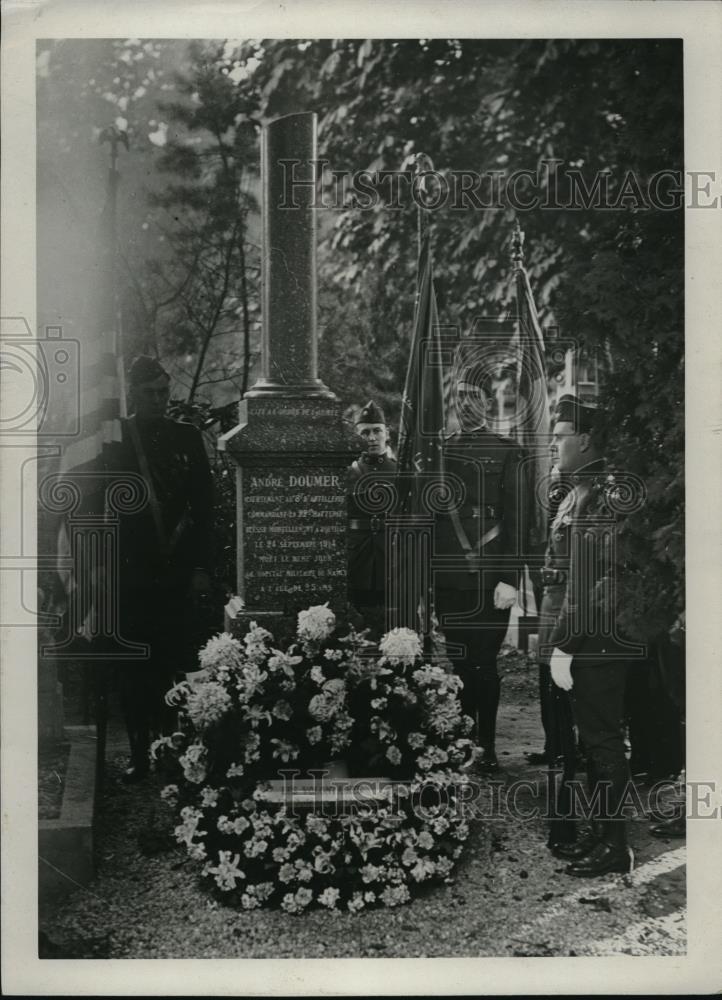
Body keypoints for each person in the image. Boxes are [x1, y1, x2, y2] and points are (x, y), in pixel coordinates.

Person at [103, 356, 214, 782]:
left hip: (178, 570)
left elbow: (204, 508)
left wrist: (202, 567)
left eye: (163, 392)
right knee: (134, 667)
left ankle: (174, 751)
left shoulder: (186, 437)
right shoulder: (115, 439)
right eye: (148, 393)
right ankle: (139, 755)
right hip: (129, 572)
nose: (157, 400)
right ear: (132, 394)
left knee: (175, 662)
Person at [546, 394, 635, 876]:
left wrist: (564, 644)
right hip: (591, 637)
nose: (554, 445)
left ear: (584, 441)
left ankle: (616, 847)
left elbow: (587, 584)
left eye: (560, 437)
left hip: (598, 639)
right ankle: (603, 836)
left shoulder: (598, 494)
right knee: (596, 741)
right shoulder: (581, 491)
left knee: (603, 743)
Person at [434, 371, 530, 772]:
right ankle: (462, 743)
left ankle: (486, 747)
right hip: (450, 575)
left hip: (491, 576)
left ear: (488, 405)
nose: (465, 406)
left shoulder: (508, 451)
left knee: (485, 663)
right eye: (459, 399)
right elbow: (431, 519)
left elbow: (518, 518)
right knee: (458, 663)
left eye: (474, 399)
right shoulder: (440, 451)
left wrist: (511, 577)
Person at [347, 401, 397, 630]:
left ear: (387, 434)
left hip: (392, 554)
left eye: (377, 430)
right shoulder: (347, 472)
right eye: (365, 432)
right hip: (357, 555)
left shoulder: (401, 471)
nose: (372, 437)